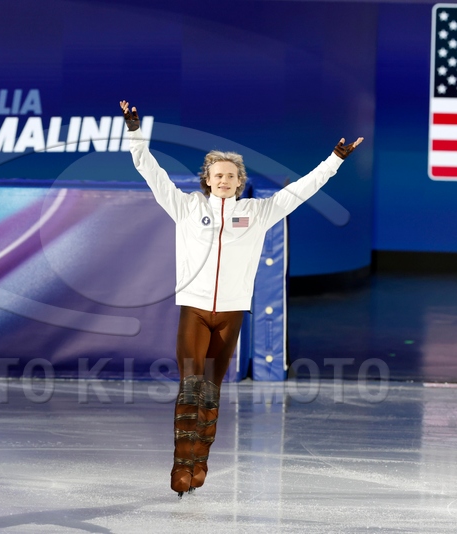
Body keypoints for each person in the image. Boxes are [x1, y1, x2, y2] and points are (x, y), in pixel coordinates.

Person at [119, 100, 363, 497]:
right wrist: (134, 130)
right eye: (218, 175)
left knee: (211, 392)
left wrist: (334, 159)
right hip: (195, 309)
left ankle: (201, 460)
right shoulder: (186, 206)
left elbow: (300, 191)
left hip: (231, 314)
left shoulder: (257, 212)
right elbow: (148, 168)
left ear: (239, 181)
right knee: (191, 387)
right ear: (207, 179)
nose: (224, 180)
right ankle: (182, 464)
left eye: (230, 176)